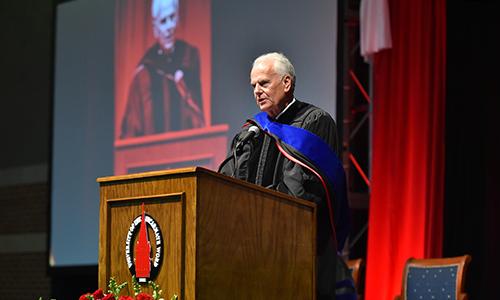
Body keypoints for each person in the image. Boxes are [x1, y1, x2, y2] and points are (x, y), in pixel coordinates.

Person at [219, 52, 355, 299]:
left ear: (286, 83)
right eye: (253, 86)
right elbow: (227, 185)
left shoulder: (314, 122)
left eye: (264, 83)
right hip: (252, 253)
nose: (257, 91)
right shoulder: (251, 133)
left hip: (300, 251)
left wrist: (257, 217)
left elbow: (303, 193)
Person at [120, 0, 204, 139]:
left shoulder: (189, 59)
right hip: (152, 157)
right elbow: (130, 130)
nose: (169, 26)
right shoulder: (144, 73)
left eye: (172, 18)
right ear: (155, 28)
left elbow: (197, 119)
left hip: (188, 154)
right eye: (163, 21)